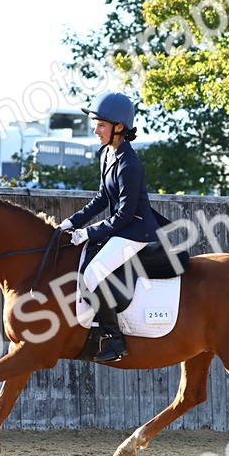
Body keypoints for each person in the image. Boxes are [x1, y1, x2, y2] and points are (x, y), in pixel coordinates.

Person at [58, 92, 167, 363]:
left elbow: (125, 215)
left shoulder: (129, 164)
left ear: (119, 127)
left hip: (136, 231)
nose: (96, 131)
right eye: (96, 125)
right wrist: (71, 222)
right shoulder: (107, 154)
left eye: (101, 125)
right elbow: (101, 199)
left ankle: (115, 340)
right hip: (122, 227)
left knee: (92, 274)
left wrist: (88, 232)